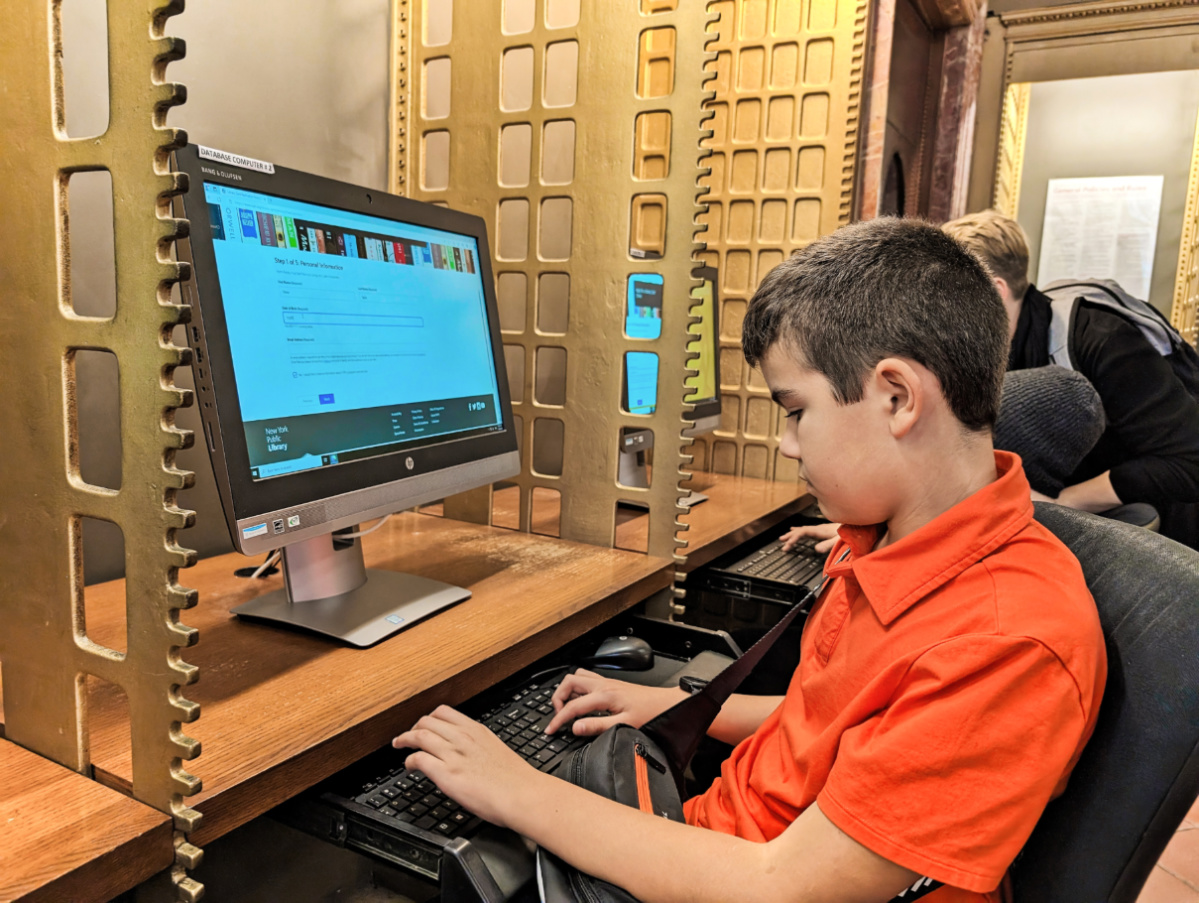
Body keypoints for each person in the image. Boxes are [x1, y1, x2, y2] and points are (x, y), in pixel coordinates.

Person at [392, 219, 1107, 903]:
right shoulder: (894, 539)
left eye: (796, 412)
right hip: (723, 838)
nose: (789, 444)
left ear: (896, 396)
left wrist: (516, 789)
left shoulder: (1003, 641)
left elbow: (783, 885)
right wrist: (678, 704)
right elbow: (829, 723)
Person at [940, 209, 1199, 548]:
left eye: (947, 296)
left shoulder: (1101, 339)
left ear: (995, 291)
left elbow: (1189, 461)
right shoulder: (999, 344)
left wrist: (1065, 502)